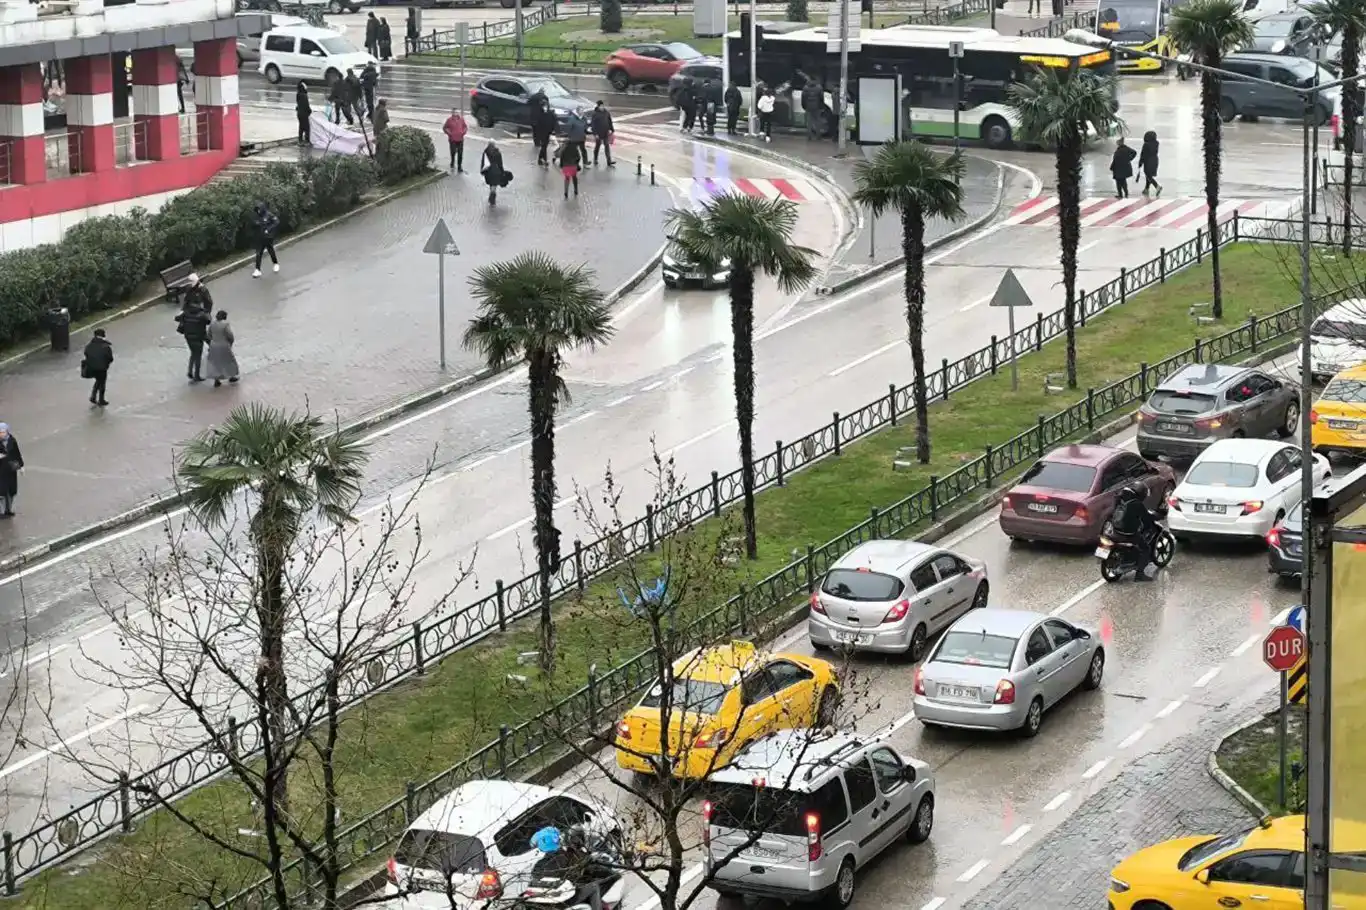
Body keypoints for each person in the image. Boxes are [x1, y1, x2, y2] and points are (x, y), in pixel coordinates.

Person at [1110, 482, 1160, 580]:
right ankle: (1140, 574)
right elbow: (1146, 519)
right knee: (1145, 549)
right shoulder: (1137, 504)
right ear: (1141, 493)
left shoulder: (1120, 497)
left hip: (1116, 529)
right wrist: (1155, 517)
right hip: (1128, 533)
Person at [175, 279, 212, 382]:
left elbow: (177, 318)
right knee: (198, 355)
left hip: (188, 336)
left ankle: (190, 371)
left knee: (193, 353)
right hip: (198, 336)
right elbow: (209, 320)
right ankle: (196, 375)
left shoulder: (186, 312)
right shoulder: (202, 314)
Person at [207, 310, 240, 388]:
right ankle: (231, 376)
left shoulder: (212, 324)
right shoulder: (225, 324)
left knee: (216, 363)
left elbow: (208, 334)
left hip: (214, 345)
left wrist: (213, 341)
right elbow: (230, 335)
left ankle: (216, 380)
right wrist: (230, 342)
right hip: (223, 345)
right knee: (229, 361)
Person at [82, 327, 113, 406]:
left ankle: (93, 396)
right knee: (102, 382)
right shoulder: (105, 346)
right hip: (102, 367)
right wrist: (106, 364)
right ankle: (101, 399)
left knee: (98, 380)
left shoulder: (89, 345)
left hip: (91, 367)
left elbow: (86, 353)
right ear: (103, 335)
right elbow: (110, 358)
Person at [252, 201, 280, 278]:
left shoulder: (269, 215)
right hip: (260, 238)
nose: (258, 211)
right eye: (257, 210)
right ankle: (257, 270)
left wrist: (269, 229)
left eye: (259, 209)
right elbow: (254, 225)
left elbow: (276, 221)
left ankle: (275, 264)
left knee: (270, 250)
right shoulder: (257, 216)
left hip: (268, 237)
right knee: (258, 253)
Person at [0, 424, 22, 518]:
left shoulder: (12, 440)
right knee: (1, 493)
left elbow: (17, 453)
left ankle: (8, 510)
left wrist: (21, 466)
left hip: (11, 470)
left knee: (11, 491)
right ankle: (1, 512)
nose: (1, 434)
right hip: (1, 471)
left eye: (2, 432)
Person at [590, 100, 615, 168]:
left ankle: (609, 161)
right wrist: (595, 134)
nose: (602, 107)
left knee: (607, 146)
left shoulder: (606, 112)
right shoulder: (595, 114)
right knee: (597, 146)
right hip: (598, 133)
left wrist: (611, 129)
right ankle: (595, 159)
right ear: (598, 106)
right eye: (601, 106)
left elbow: (609, 121)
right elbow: (593, 125)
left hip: (605, 132)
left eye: (603, 106)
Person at [480, 140, 507, 205]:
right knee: (494, 184)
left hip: (488, 171)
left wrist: (482, 171)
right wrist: (502, 172)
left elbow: (483, 162)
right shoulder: (498, 153)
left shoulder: (485, 152)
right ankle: (492, 196)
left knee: (491, 183)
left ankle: (492, 195)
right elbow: (500, 164)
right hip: (496, 170)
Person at [1138, 130, 1162, 197]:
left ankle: (1157, 186)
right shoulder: (1156, 143)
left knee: (1148, 175)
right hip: (1155, 160)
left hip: (1148, 160)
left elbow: (1143, 154)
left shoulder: (1146, 144)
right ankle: (1146, 189)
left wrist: (1140, 162)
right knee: (1149, 175)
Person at [443, 107, 467, 172]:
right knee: (453, 152)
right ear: (452, 113)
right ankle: (452, 161)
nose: (455, 113)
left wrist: (463, 132)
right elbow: (445, 128)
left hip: (460, 139)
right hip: (452, 139)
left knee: (460, 153)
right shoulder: (449, 120)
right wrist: (449, 133)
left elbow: (465, 127)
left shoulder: (461, 119)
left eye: (456, 112)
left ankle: (459, 166)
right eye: (454, 112)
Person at [295, 81, 312, 145]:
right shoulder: (304, 96)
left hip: (299, 113)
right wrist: (309, 111)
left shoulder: (298, 94)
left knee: (301, 127)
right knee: (307, 127)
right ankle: (307, 141)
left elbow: (298, 104)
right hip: (304, 114)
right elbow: (306, 105)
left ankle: (300, 140)